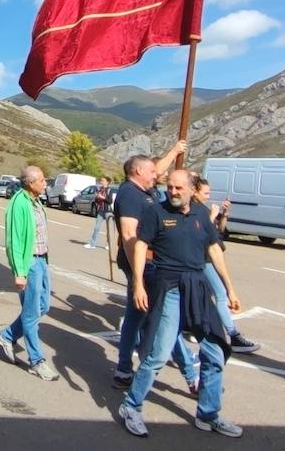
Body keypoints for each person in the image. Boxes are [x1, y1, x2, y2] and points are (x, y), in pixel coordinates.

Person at [119, 169, 243, 438]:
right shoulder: (156, 212)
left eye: (178, 188)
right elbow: (140, 247)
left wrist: (230, 289)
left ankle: (208, 415)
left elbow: (213, 249)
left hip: (197, 287)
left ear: (191, 188)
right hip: (169, 287)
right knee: (158, 354)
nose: (173, 192)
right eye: (170, 187)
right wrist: (138, 283)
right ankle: (131, 406)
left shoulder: (200, 214)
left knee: (214, 352)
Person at [112, 145, 197, 392]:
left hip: (149, 263)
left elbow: (158, 170)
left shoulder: (143, 189)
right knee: (163, 319)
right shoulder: (130, 194)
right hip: (146, 264)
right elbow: (129, 235)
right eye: (151, 171)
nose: (156, 175)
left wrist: (174, 150)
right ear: (138, 171)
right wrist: (138, 277)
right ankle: (191, 375)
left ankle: (123, 369)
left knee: (136, 316)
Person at [0, 166, 58, 381]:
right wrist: (18, 272)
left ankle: (7, 335)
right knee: (31, 314)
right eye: (41, 180)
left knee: (43, 306)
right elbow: (13, 240)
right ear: (30, 183)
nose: (45, 183)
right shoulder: (19, 203)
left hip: (41, 260)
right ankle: (37, 361)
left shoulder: (36, 201)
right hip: (28, 263)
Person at [191, 176, 260, 355]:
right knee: (221, 295)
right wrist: (212, 217)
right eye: (205, 193)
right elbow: (206, 236)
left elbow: (220, 231)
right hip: (204, 260)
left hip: (209, 258)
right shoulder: (195, 210)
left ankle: (195, 327)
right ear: (194, 191)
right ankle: (233, 335)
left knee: (206, 297)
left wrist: (224, 214)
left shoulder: (202, 209)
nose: (208, 196)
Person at [85, 176, 112, 249]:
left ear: (107, 182)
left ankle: (109, 245)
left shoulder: (109, 190)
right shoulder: (100, 189)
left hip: (108, 211)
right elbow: (97, 201)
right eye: (101, 181)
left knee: (109, 229)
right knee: (97, 228)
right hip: (100, 211)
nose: (101, 182)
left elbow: (110, 201)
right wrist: (97, 197)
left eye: (103, 181)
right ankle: (92, 244)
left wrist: (103, 198)